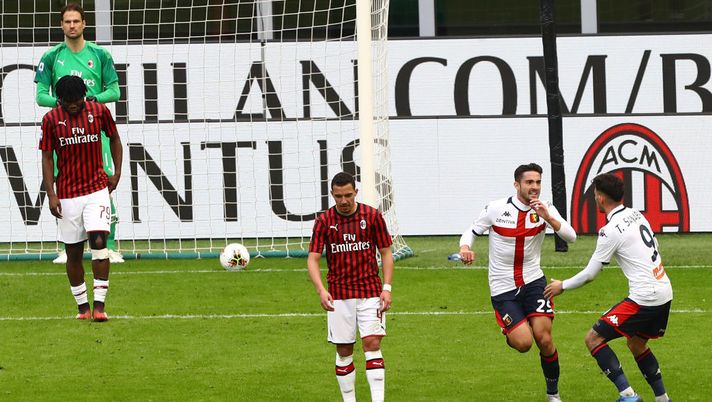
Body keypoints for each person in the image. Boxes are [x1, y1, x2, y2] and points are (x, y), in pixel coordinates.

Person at [544, 173, 673, 402]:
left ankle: (628, 395)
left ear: (601, 198)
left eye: (595, 195)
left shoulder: (610, 230)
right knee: (636, 343)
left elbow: (590, 274)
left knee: (593, 339)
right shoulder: (636, 214)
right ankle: (662, 399)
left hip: (645, 298)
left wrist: (561, 285)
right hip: (664, 291)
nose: (595, 198)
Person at [459, 163, 577, 402]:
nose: (534, 187)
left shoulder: (546, 208)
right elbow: (471, 231)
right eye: (529, 182)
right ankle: (511, 330)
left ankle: (553, 394)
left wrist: (548, 218)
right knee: (523, 343)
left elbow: (571, 236)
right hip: (503, 287)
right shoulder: (496, 208)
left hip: (534, 281)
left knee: (544, 339)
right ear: (517, 184)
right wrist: (464, 248)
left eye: (538, 182)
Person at [35, 2, 123, 263]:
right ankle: (67, 246)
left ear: (84, 24)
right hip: (63, 130)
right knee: (63, 181)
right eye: (67, 22)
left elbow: (115, 91)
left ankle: (109, 245)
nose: (72, 25)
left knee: (103, 181)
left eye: (76, 21)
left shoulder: (100, 55)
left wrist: (89, 102)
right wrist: (64, 105)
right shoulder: (51, 57)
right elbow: (41, 96)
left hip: (94, 130)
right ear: (61, 25)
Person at [39, 75, 122, 322]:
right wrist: (51, 193)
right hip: (66, 194)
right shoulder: (51, 120)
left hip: (96, 190)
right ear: (60, 99)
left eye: (77, 100)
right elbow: (46, 157)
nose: (73, 105)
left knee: (98, 242)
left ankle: (99, 307)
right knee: (73, 253)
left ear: (84, 96)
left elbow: (115, 139)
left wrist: (116, 173)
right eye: (67, 102)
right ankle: (82, 308)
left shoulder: (99, 112)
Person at [307, 172, 394, 402]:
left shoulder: (372, 216)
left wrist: (387, 287)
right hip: (339, 295)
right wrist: (321, 290)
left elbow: (386, 252)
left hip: (370, 292)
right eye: (338, 196)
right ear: (332, 195)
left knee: (372, 343)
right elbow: (313, 258)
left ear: (356, 192)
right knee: (344, 350)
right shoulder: (324, 221)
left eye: (348, 195)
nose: (343, 201)